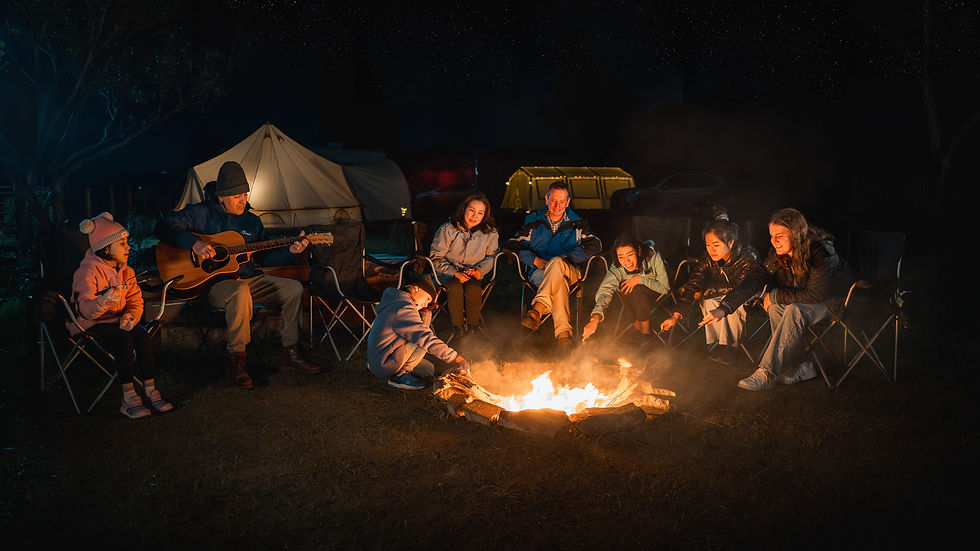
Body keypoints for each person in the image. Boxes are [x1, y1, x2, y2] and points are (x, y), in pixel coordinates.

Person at [158, 161, 320, 390]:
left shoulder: (251, 221)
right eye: (236, 197)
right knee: (239, 291)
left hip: (248, 278)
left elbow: (264, 258)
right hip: (213, 285)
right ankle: (237, 360)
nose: (243, 200)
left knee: (293, 288)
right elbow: (165, 226)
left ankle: (290, 353)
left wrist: (289, 252)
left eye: (245, 194)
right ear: (221, 197)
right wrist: (194, 243)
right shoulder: (200, 214)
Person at [705, 208, 852, 390]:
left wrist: (773, 296)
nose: (774, 241)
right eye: (771, 235)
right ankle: (802, 366)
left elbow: (815, 294)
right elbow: (755, 278)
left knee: (793, 309)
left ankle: (766, 372)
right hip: (804, 304)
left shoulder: (820, 252)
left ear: (796, 234)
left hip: (833, 303)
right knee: (777, 308)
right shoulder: (778, 254)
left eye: (779, 236)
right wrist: (724, 308)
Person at [71, 213, 173, 419]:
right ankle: (128, 398)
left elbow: (135, 301)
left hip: (118, 320)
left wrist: (130, 317)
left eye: (126, 242)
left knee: (142, 334)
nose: (128, 247)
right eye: (122, 243)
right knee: (123, 339)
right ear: (106, 248)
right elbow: (84, 309)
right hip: (91, 323)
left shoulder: (127, 272)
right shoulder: (86, 272)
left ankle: (151, 390)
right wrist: (105, 300)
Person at [659, 208, 765, 364]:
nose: (711, 249)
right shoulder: (708, 256)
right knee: (708, 301)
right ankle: (720, 343)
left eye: (716, 244)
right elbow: (695, 281)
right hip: (720, 289)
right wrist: (676, 315)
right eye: (708, 244)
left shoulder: (748, 256)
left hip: (748, 292)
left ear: (730, 242)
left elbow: (741, 288)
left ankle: (733, 347)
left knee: (727, 302)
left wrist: (708, 290)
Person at [506, 181, 601, 347]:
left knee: (557, 263)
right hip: (540, 271)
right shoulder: (534, 221)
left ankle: (539, 308)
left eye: (562, 201)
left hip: (570, 270)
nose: (558, 206)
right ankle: (564, 337)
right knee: (560, 284)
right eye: (554, 200)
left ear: (568, 202)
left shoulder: (577, 223)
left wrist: (567, 258)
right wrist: (535, 260)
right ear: (546, 199)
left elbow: (595, 244)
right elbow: (513, 245)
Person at [366, 274, 471, 390]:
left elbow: (420, 328)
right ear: (416, 288)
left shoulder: (398, 301)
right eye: (427, 298)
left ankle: (390, 368)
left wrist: (426, 312)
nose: (426, 304)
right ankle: (398, 377)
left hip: (379, 356)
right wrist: (455, 357)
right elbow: (424, 337)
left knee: (428, 369)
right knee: (423, 339)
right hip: (384, 363)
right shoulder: (403, 308)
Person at [429, 192, 500, 336]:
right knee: (455, 286)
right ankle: (458, 330)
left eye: (480, 213)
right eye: (471, 211)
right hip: (445, 275)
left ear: (485, 215)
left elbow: (492, 257)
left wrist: (479, 271)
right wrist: (454, 273)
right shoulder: (448, 229)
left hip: (472, 275)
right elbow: (435, 258)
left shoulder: (490, 233)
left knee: (474, 287)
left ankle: (473, 329)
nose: (475, 216)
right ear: (464, 209)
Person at [581, 232, 669, 342]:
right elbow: (605, 290)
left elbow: (665, 288)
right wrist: (595, 318)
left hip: (658, 289)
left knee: (637, 289)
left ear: (638, 250)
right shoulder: (618, 267)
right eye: (621, 257)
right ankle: (637, 328)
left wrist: (640, 279)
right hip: (637, 297)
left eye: (630, 255)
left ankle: (646, 333)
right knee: (624, 288)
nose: (626, 261)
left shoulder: (653, 257)